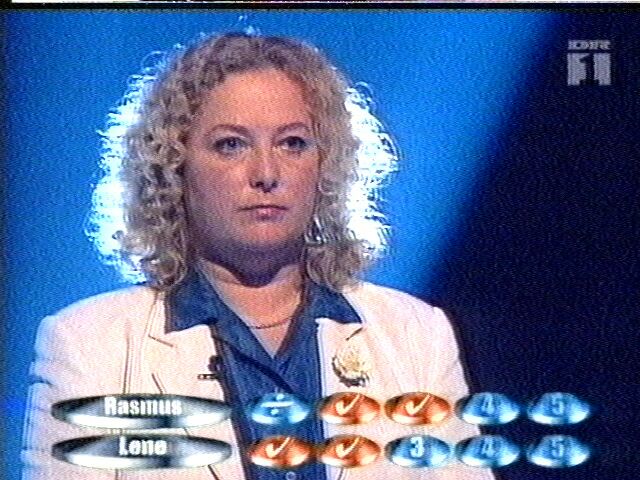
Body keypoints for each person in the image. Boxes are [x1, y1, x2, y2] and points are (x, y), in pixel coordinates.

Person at [22, 32, 494, 480]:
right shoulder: (89, 346)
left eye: (292, 143)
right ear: (173, 168)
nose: (266, 173)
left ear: (326, 165)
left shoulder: (416, 336)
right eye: (231, 144)